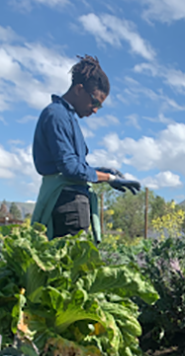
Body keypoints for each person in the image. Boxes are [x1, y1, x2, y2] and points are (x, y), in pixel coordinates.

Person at [31, 55, 141, 241]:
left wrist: (98, 171)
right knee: (70, 265)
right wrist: (109, 178)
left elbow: (74, 165)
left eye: (100, 106)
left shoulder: (66, 116)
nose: (95, 110)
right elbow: (71, 169)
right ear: (79, 89)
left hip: (70, 202)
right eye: (95, 102)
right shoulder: (57, 115)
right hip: (67, 204)